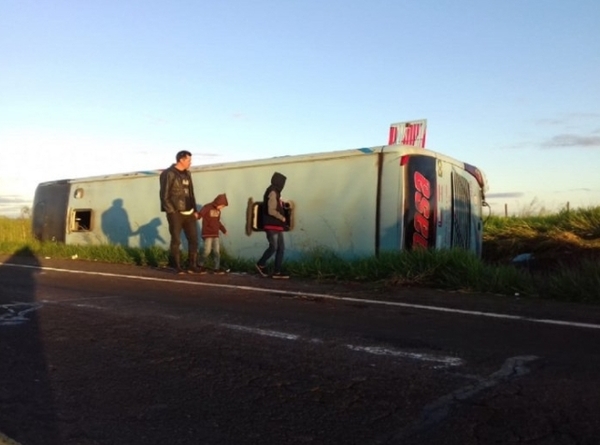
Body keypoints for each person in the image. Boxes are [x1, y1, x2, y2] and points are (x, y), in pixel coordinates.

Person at [159, 150, 201, 274]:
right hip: (176, 212)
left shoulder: (188, 174)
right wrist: (172, 211)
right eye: (189, 160)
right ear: (181, 160)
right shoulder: (168, 173)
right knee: (176, 240)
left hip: (189, 212)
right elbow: (164, 195)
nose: (190, 163)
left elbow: (191, 193)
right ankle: (176, 266)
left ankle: (192, 265)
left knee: (194, 239)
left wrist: (195, 210)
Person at [255, 172, 289, 279]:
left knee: (281, 248)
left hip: (277, 226)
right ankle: (260, 263)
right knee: (274, 247)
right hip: (272, 225)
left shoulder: (276, 193)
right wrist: (282, 218)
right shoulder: (273, 192)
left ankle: (277, 272)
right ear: (279, 182)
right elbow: (271, 210)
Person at [196, 193, 229, 274]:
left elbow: (218, 222)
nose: (222, 208)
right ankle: (199, 265)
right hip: (207, 234)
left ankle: (216, 268)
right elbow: (200, 214)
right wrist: (197, 216)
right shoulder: (207, 207)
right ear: (218, 203)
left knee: (217, 252)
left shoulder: (218, 211)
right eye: (222, 206)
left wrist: (224, 230)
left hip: (215, 234)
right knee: (207, 251)